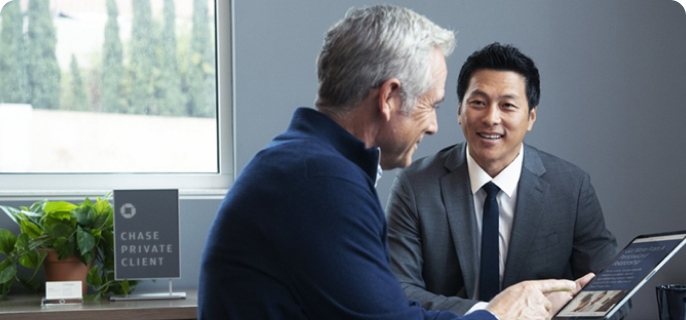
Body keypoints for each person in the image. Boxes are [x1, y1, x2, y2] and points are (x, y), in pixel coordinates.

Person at [199, 6, 582, 320]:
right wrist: (499, 315)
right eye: (430, 105)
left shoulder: (307, 164)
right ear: (389, 98)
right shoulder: (321, 181)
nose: (434, 126)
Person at [386, 42, 627, 318]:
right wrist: (494, 314)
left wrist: (570, 307)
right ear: (459, 111)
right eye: (478, 103)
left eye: (507, 105)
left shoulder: (572, 188)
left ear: (531, 117)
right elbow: (397, 291)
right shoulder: (414, 186)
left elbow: (614, 293)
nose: (491, 118)